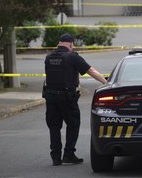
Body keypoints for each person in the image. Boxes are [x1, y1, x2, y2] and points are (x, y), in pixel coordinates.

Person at [44, 33, 107, 166]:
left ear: (59, 43)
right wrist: (106, 83)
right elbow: (91, 71)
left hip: (50, 96)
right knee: (73, 124)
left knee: (54, 127)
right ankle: (68, 154)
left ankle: (55, 157)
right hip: (66, 97)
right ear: (71, 44)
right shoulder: (72, 57)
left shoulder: (49, 57)